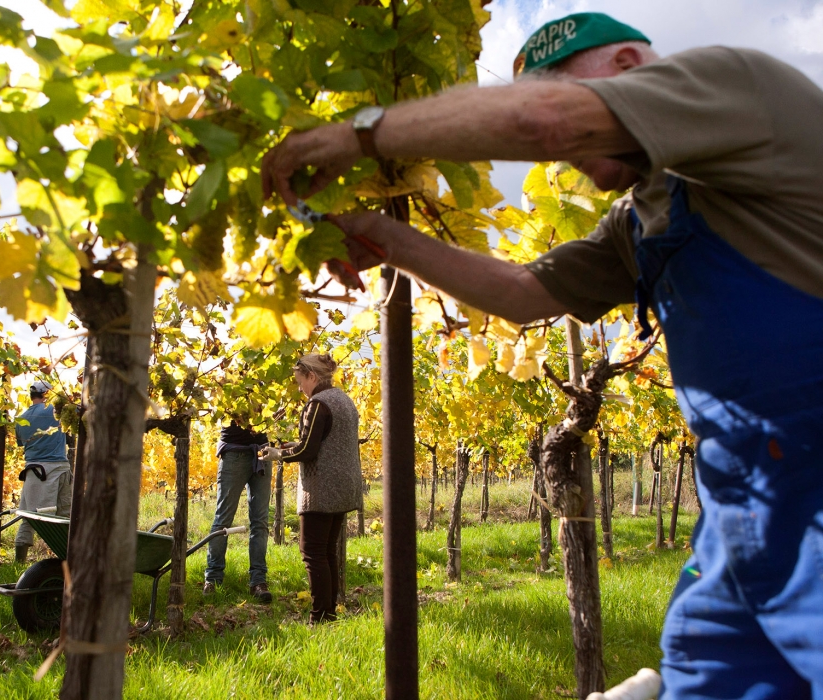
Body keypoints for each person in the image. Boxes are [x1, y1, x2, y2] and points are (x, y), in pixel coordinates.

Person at [262, 11, 823, 696]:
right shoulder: (641, 217)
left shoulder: (737, 81)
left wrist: (357, 136)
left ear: (624, 67)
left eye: (567, 90)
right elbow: (522, 293)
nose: (566, 159)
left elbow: (547, 123)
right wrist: (381, 236)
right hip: (745, 515)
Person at [261, 354, 363, 623]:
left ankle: (320, 617)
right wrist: (286, 448)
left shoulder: (318, 403)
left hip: (322, 487)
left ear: (312, 377)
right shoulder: (344, 400)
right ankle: (328, 614)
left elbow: (308, 449)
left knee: (312, 551)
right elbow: (321, 441)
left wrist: (277, 454)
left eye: (300, 381)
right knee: (327, 549)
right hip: (345, 484)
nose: (299, 388)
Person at [204, 419, 273, 602]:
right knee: (223, 520)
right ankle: (213, 579)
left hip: (262, 452)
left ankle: (258, 582)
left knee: (260, 522)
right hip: (234, 453)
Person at [14, 380, 73, 563]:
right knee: (65, 516)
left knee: (29, 516)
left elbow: (21, 443)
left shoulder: (21, 418)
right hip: (59, 470)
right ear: (47, 394)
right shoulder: (54, 411)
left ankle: (19, 561)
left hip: (35, 472)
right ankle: (66, 558)